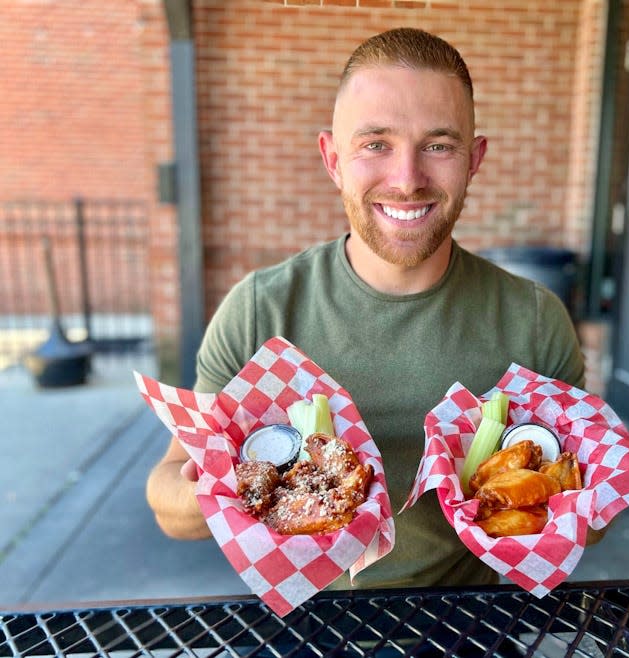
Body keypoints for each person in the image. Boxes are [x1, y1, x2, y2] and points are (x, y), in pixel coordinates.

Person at [146, 27, 586, 589]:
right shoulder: (260, 310)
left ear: (474, 159)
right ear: (333, 158)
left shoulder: (535, 319)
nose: (406, 179)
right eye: (375, 143)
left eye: (438, 145)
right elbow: (168, 502)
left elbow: (588, 525)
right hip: (301, 622)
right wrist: (228, 487)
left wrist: (585, 493)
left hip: (466, 624)